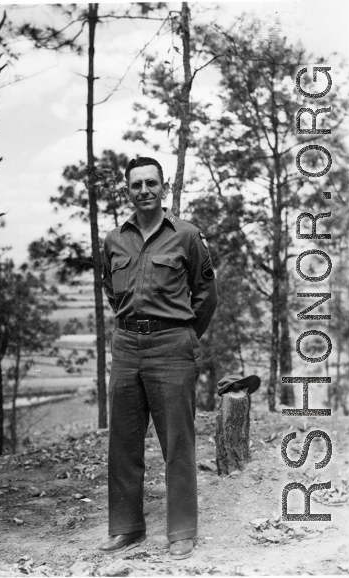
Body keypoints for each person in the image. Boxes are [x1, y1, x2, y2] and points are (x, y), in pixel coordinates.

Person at [99, 156, 218, 560]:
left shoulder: (186, 235)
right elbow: (112, 291)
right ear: (127, 191)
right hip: (127, 346)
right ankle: (126, 527)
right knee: (124, 442)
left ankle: (182, 531)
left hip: (172, 347)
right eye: (137, 185)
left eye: (152, 183)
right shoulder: (115, 239)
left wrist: (182, 336)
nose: (144, 191)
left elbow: (205, 295)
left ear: (163, 188)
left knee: (177, 443)